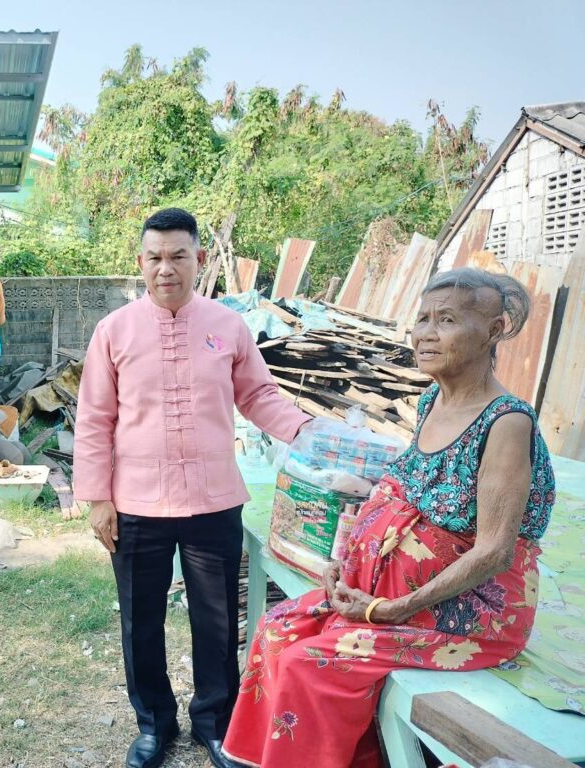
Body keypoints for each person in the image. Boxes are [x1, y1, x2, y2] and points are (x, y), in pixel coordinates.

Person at [221, 267, 556, 768]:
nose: (425, 333)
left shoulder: (506, 423)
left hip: (468, 612)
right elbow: (403, 498)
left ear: (493, 330)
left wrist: (394, 609)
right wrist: (345, 566)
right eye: (422, 319)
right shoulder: (432, 400)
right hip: (389, 596)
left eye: (446, 320)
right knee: (276, 629)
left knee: (309, 665)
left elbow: (494, 551)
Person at [73, 208, 313, 768]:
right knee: (140, 622)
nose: (166, 268)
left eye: (178, 256)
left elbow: (259, 396)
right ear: (141, 262)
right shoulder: (114, 331)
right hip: (136, 504)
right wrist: (98, 499)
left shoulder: (228, 326)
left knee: (216, 620)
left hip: (212, 501)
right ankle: (154, 725)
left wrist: (308, 432)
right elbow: (94, 419)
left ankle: (215, 722)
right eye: (155, 257)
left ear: (199, 259)